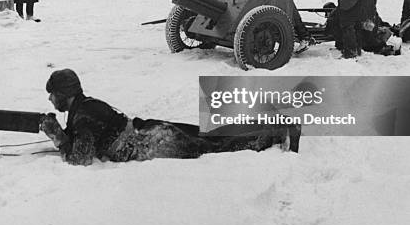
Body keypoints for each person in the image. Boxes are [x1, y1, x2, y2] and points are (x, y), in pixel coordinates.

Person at [39, 69, 300, 165]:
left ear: (64, 94)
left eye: (53, 94)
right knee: (211, 135)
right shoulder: (86, 105)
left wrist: (57, 136)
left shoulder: (82, 117)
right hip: (149, 130)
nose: (51, 100)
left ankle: (270, 134)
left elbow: (80, 158)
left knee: (215, 146)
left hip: (149, 142)